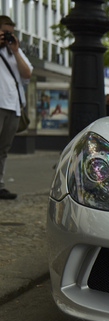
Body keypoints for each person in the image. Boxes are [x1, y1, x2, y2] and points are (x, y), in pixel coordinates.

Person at [0, 15, 33, 200]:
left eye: (11, 33)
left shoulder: (14, 53)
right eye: (5, 32)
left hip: (13, 107)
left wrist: (16, 51)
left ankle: (0, 184)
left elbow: (27, 73)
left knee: (3, 149)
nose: (8, 36)